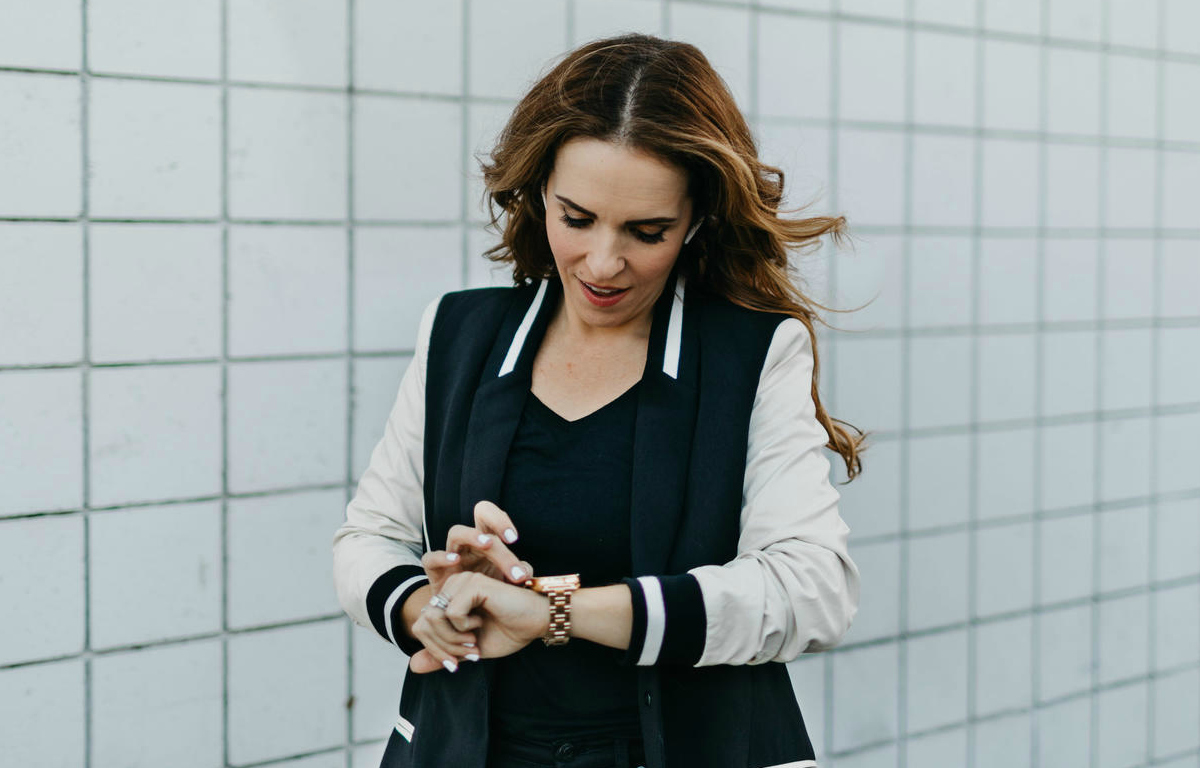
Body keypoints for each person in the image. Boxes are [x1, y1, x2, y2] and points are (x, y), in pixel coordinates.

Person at [332, 33, 864, 768]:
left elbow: (812, 592)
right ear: (536, 191)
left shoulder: (752, 351)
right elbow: (368, 539)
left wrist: (554, 613)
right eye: (576, 219)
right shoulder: (460, 333)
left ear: (698, 220)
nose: (604, 262)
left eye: (648, 232)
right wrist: (437, 611)